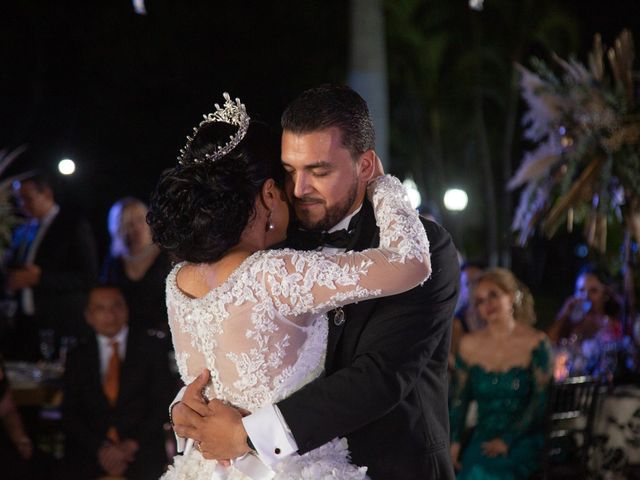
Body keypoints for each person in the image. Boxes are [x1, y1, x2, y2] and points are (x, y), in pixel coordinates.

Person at [169, 86, 459, 479]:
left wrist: (247, 434)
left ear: (366, 166)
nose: (300, 189)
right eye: (290, 172)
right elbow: (235, 341)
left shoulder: (425, 245)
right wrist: (189, 406)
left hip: (393, 463)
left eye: (319, 171)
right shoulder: (275, 241)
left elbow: (380, 376)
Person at [61, 284, 173, 479]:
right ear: (88, 315)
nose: (110, 314)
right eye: (100, 308)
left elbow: (163, 404)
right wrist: (103, 449)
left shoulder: (152, 348)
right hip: (91, 453)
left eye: (116, 306)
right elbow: (70, 411)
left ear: (126, 310)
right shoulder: (77, 355)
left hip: (141, 450)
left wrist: (130, 445)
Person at [450, 268, 552, 479]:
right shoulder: (469, 345)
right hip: (483, 437)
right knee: (471, 471)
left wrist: (507, 439)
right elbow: (460, 399)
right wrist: (454, 442)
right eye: (479, 301)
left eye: (493, 295)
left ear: (512, 295)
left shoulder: (536, 342)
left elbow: (541, 400)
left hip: (524, 438)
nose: (487, 304)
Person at [3, 172, 98, 359]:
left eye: (28, 198)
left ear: (46, 193)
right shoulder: (23, 230)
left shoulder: (72, 225)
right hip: (26, 325)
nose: (23, 205)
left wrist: (40, 278)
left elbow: (88, 277)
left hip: (61, 323)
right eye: (19, 200)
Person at [101, 197, 171, 335]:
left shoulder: (168, 255)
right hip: (128, 336)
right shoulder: (113, 263)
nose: (136, 228)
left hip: (165, 333)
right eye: (128, 224)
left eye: (140, 220)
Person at [548, 266, 622, 345]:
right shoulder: (570, 322)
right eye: (581, 290)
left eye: (593, 291)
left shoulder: (613, 325)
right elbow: (546, 346)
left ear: (605, 294)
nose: (586, 296)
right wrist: (563, 315)